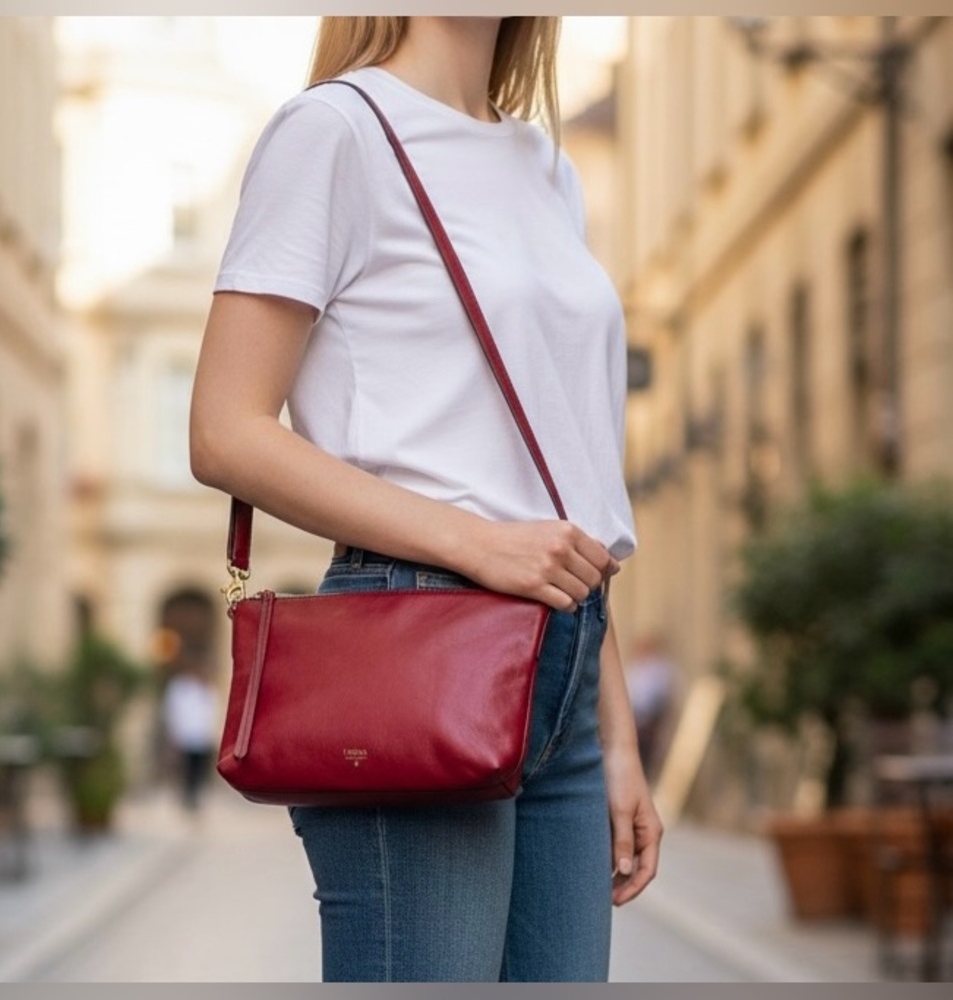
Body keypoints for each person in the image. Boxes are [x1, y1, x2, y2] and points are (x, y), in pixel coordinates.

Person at [190, 16, 663, 983]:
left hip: (565, 663)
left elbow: (566, 481)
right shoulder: (334, 131)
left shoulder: (546, 166)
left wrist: (618, 737)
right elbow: (225, 430)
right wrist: (480, 544)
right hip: (417, 641)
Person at [161, 663, 218, 813]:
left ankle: (194, 795)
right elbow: (173, 711)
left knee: (197, 770)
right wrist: (174, 733)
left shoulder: (206, 689)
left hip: (201, 737)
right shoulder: (180, 688)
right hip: (185, 736)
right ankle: (186, 796)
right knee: (184, 769)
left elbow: (211, 714)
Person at [624, 634, 676, 783]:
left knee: (646, 759)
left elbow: (661, 698)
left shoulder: (659, 671)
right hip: (633, 719)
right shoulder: (634, 669)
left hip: (647, 722)